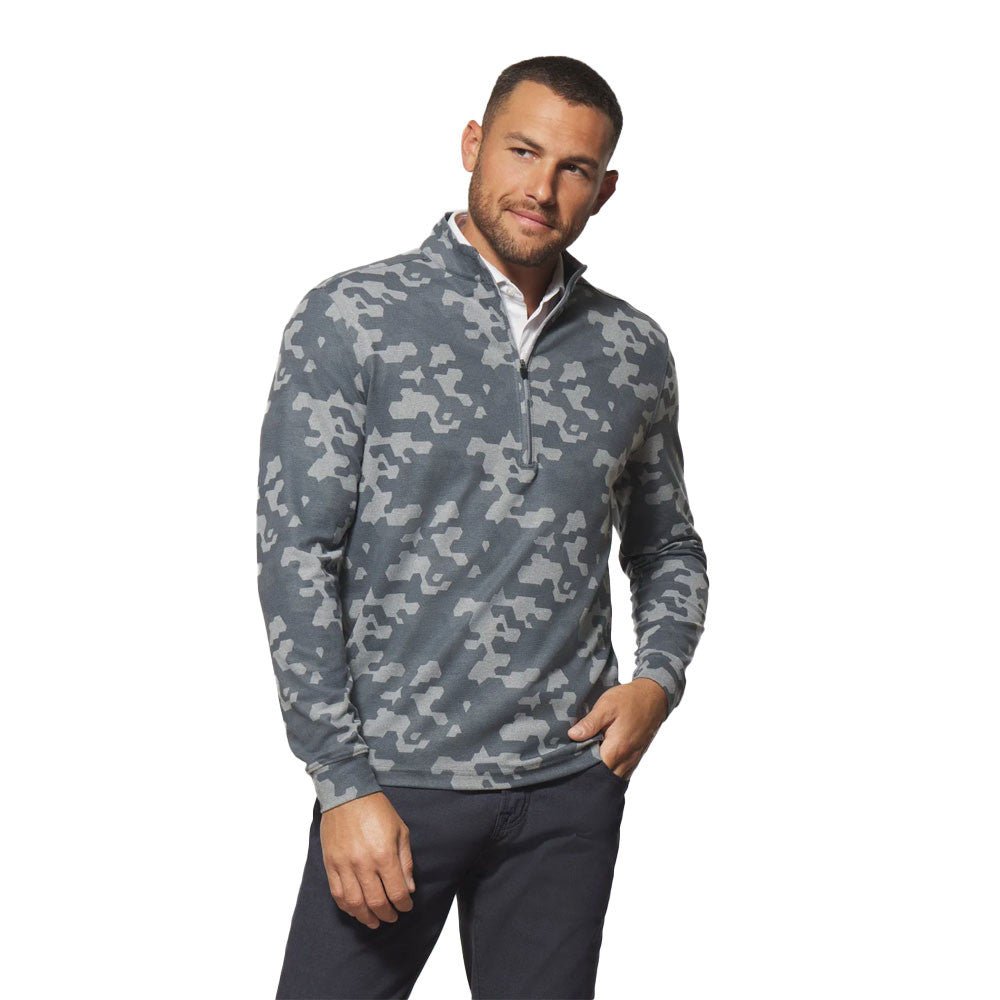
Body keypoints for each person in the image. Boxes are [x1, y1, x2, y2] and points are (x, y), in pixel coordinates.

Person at [256, 54, 710, 1000]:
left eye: (575, 168)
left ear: (605, 189)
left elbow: (668, 545)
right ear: (473, 144)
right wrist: (341, 780)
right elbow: (296, 556)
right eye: (522, 151)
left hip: (567, 792)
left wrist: (657, 682)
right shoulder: (355, 316)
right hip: (395, 787)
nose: (541, 189)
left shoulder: (632, 348)